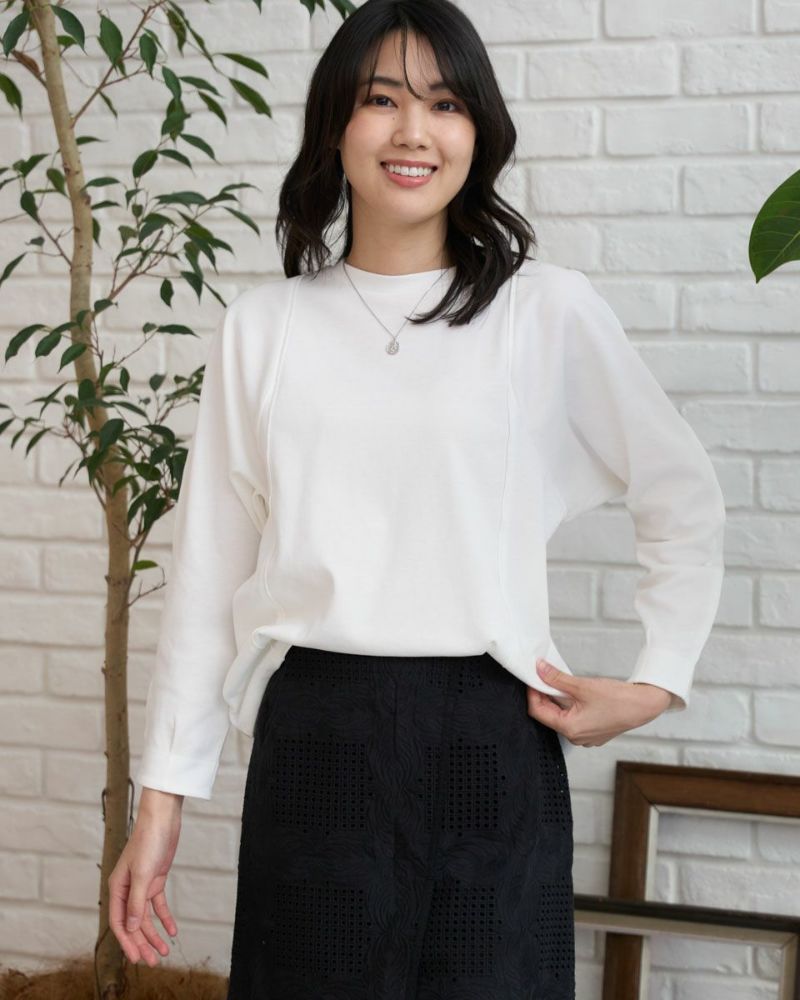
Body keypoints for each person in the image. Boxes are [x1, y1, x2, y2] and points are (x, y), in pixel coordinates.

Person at [108, 0, 727, 996]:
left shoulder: (543, 311)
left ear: (477, 132)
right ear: (334, 124)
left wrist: (655, 679)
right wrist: (161, 799)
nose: (412, 132)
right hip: (316, 742)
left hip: (491, 741)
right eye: (381, 99)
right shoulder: (264, 327)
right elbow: (209, 572)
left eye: (444, 104)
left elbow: (680, 491)